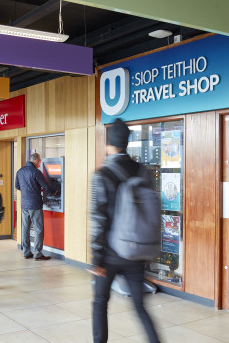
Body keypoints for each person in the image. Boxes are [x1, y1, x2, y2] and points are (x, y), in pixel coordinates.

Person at [90, 119, 160, 343]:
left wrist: (96, 258)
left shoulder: (102, 174)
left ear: (110, 144)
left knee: (100, 302)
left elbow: (99, 219)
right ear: (127, 143)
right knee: (140, 307)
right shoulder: (143, 171)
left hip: (110, 253)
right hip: (136, 251)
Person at [15, 153, 55, 261]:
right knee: (38, 229)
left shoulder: (20, 171)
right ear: (37, 161)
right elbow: (46, 186)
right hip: (35, 205)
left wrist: (28, 190)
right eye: (39, 162)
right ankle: (37, 253)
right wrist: (54, 191)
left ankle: (26, 252)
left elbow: (17, 186)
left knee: (25, 228)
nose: (39, 164)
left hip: (24, 205)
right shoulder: (36, 172)